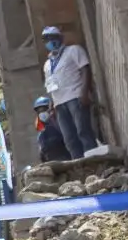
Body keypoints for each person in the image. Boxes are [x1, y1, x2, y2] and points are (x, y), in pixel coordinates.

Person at [41, 25, 103, 159]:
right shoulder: (47, 64)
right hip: (59, 103)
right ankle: (79, 163)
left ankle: (93, 160)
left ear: (60, 38)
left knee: (83, 132)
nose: (49, 42)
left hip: (75, 96)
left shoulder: (74, 50)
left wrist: (84, 92)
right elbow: (51, 84)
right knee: (69, 137)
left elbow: (85, 69)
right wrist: (52, 103)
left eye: (52, 38)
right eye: (46, 39)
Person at [33, 96, 68, 163]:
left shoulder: (60, 121)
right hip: (51, 159)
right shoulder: (41, 128)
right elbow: (41, 147)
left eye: (43, 109)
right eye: (39, 111)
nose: (42, 113)